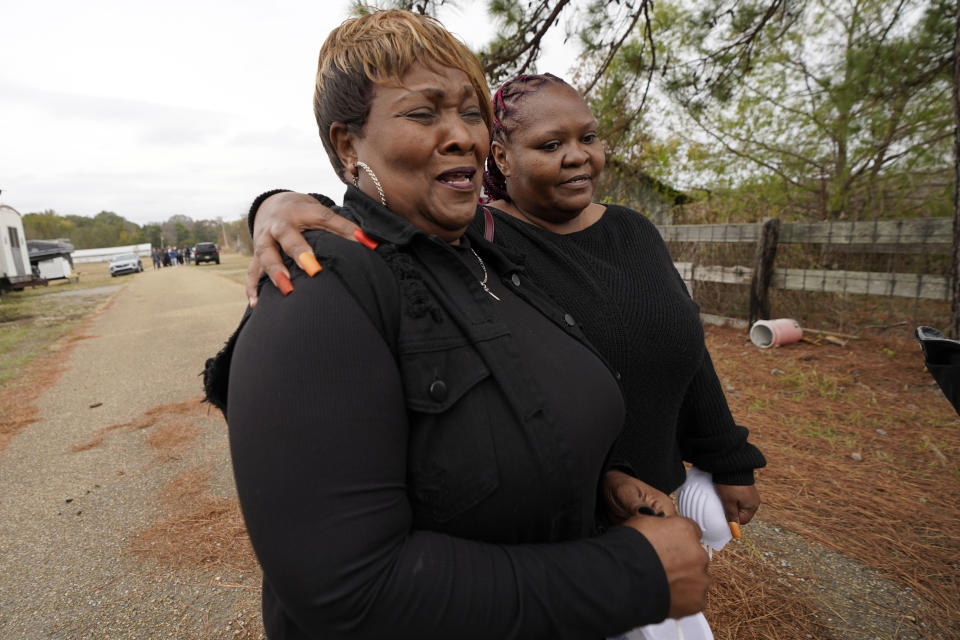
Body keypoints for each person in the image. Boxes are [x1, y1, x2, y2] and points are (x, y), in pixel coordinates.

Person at [205, 10, 709, 640]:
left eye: (472, 113)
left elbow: (489, 436)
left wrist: (589, 482)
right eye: (423, 113)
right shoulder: (320, 293)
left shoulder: (486, 257)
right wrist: (630, 575)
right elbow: (347, 592)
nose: (462, 137)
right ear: (346, 145)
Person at [245, 74, 766, 527]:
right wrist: (278, 202)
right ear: (501, 156)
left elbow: (685, 344)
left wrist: (728, 458)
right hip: (562, 513)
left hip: (654, 501)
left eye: (588, 138)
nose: (577, 156)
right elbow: (376, 217)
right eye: (549, 145)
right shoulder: (476, 235)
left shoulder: (633, 230)